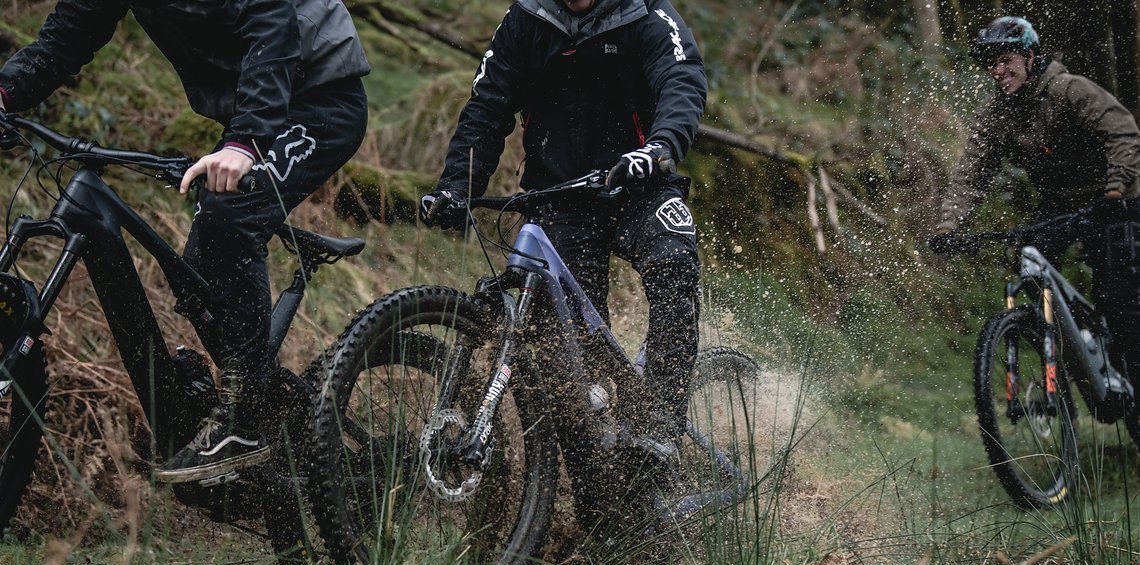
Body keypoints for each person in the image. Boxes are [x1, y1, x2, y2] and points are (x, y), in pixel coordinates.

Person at [0, 0, 370, 484]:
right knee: (201, 267)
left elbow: (272, 24)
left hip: (320, 97)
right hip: (262, 102)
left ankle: (244, 419)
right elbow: (68, 35)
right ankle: (277, 416)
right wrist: (6, 91)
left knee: (225, 223)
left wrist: (245, 142)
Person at [420, 0, 707, 503]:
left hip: (637, 184)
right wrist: (455, 187)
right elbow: (487, 108)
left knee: (674, 266)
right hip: (559, 197)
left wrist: (659, 148)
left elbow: (682, 82)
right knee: (565, 358)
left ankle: (658, 424)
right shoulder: (527, 20)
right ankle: (601, 506)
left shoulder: (646, 16)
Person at [932, 16, 1140, 380]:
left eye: (1006, 60)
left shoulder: (1069, 90)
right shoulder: (996, 115)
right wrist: (949, 225)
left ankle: (1128, 367)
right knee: (1030, 261)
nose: (997, 71)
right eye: (991, 64)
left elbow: (1122, 133)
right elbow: (970, 174)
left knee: (1119, 297)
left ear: (1030, 56)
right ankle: (1077, 346)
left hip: (1114, 198)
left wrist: (1116, 190)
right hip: (1060, 204)